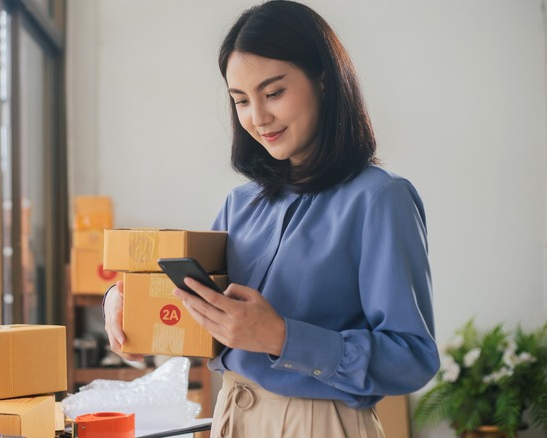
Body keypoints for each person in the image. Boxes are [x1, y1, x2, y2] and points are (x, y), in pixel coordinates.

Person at [103, 1, 440, 436]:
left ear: (323, 80)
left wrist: (282, 336)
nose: (257, 118)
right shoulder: (240, 203)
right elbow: (205, 310)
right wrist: (124, 297)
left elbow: (412, 358)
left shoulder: (380, 198)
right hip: (231, 414)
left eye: (273, 92)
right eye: (241, 100)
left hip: (319, 423)